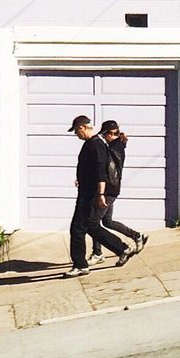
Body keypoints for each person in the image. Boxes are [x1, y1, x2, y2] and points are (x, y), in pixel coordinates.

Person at [65, 114, 133, 277]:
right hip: (88, 192)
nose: (76, 135)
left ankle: (80, 265)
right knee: (90, 225)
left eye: (76, 131)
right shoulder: (94, 143)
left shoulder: (95, 144)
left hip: (90, 194)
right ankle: (122, 248)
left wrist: (101, 194)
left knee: (77, 228)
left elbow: (101, 171)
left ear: (82, 128)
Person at [90, 120, 147, 261]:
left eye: (108, 134)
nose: (107, 137)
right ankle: (136, 235)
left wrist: (100, 191)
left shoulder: (114, 147)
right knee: (107, 222)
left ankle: (98, 253)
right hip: (112, 189)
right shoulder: (117, 145)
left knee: (93, 222)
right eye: (106, 134)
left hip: (108, 190)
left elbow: (104, 168)